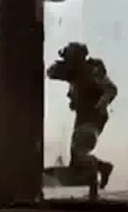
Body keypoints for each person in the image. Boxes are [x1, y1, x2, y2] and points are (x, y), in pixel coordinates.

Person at [46, 42, 117, 189]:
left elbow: (111, 89)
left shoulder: (91, 71)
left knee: (80, 152)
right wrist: (62, 67)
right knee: (77, 160)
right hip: (84, 117)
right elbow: (51, 72)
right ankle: (94, 178)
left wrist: (102, 103)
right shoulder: (75, 72)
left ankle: (103, 167)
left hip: (93, 117)